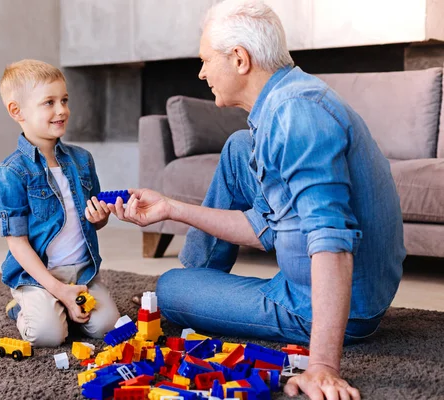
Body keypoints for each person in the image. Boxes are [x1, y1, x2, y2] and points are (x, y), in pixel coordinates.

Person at [109, 1, 405, 399]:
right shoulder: (285, 102)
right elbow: (265, 227)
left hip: (324, 306)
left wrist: (321, 367)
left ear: (239, 59)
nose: (201, 73)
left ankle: (189, 288)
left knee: (170, 289)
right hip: (330, 282)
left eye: (205, 61)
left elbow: (331, 238)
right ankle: (201, 280)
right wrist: (171, 208)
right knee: (237, 147)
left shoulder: (295, 117)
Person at [0, 59, 120, 347]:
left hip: (82, 270)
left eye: (64, 100)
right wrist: (58, 290)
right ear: (17, 111)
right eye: (48, 102)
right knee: (48, 336)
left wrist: (100, 217)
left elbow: (94, 221)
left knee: (106, 327)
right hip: (39, 275)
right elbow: (18, 243)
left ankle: (61, 307)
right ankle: (24, 307)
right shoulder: (11, 173)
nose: (61, 110)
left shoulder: (82, 160)